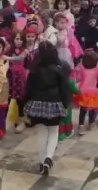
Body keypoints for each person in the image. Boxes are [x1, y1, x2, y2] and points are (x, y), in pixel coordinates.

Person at [22, 41, 72, 175]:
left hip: (37, 105)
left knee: (42, 133)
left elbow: (28, 89)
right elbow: (64, 89)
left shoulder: (34, 70)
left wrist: (25, 103)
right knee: (54, 132)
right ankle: (48, 159)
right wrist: (65, 104)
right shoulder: (58, 69)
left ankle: (41, 161)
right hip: (54, 104)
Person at [74, 50, 98, 135]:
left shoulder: (81, 69)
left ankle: (81, 126)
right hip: (93, 92)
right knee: (92, 108)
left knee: (83, 110)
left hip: (82, 91)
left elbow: (78, 78)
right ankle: (91, 123)